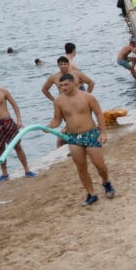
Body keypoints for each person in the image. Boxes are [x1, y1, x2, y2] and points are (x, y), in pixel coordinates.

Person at [49, 73, 114, 205]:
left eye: (66, 84)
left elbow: (99, 114)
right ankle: (91, 194)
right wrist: (48, 127)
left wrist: (103, 133)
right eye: (61, 85)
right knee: (81, 167)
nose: (63, 87)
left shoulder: (88, 97)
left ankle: (106, 182)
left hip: (90, 134)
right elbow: (57, 120)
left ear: (75, 83)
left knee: (99, 165)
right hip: (73, 138)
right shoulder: (59, 101)